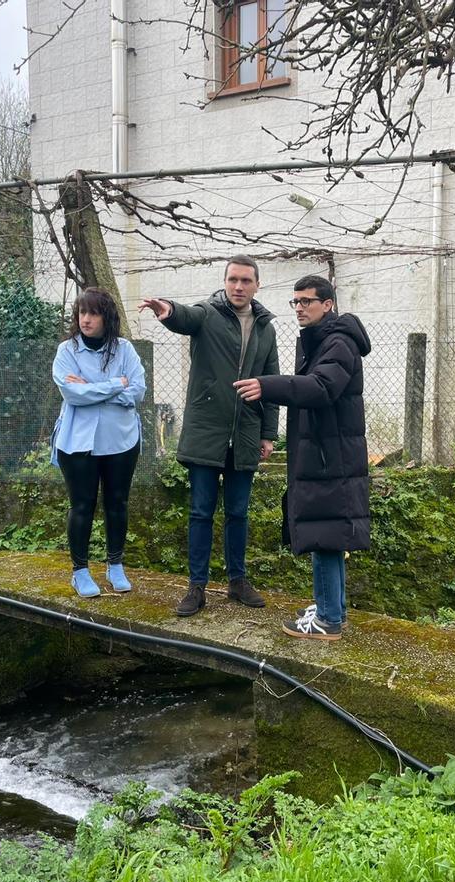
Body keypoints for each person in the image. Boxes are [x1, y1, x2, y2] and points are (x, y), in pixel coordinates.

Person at [138, 255, 280, 617]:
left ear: (256, 285)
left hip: (246, 433)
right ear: (225, 281)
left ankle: (237, 581)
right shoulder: (208, 312)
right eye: (233, 279)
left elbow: (272, 384)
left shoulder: (266, 328)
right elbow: (185, 316)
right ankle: (196, 587)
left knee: (238, 512)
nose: (238, 286)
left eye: (246, 280)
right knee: (201, 512)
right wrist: (166, 310)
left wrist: (268, 434)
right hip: (206, 432)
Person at [233, 275, 370, 641]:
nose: (299, 308)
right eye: (295, 302)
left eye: (306, 301)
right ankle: (332, 609)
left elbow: (322, 388)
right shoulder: (323, 340)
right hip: (325, 453)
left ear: (327, 304)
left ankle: (326, 619)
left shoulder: (338, 343)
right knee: (329, 535)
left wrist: (268, 385)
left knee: (323, 536)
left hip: (329, 457)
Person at [51, 287, 146, 598]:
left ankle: (115, 564)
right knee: (82, 505)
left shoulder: (125, 351)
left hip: (121, 440)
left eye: (93, 313)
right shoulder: (67, 351)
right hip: (77, 443)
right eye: (82, 312)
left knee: (117, 503)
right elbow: (71, 394)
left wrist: (94, 389)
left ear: (107, 317)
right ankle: (80, 571)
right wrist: (115, 386)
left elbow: (138, 391)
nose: (86, 319)